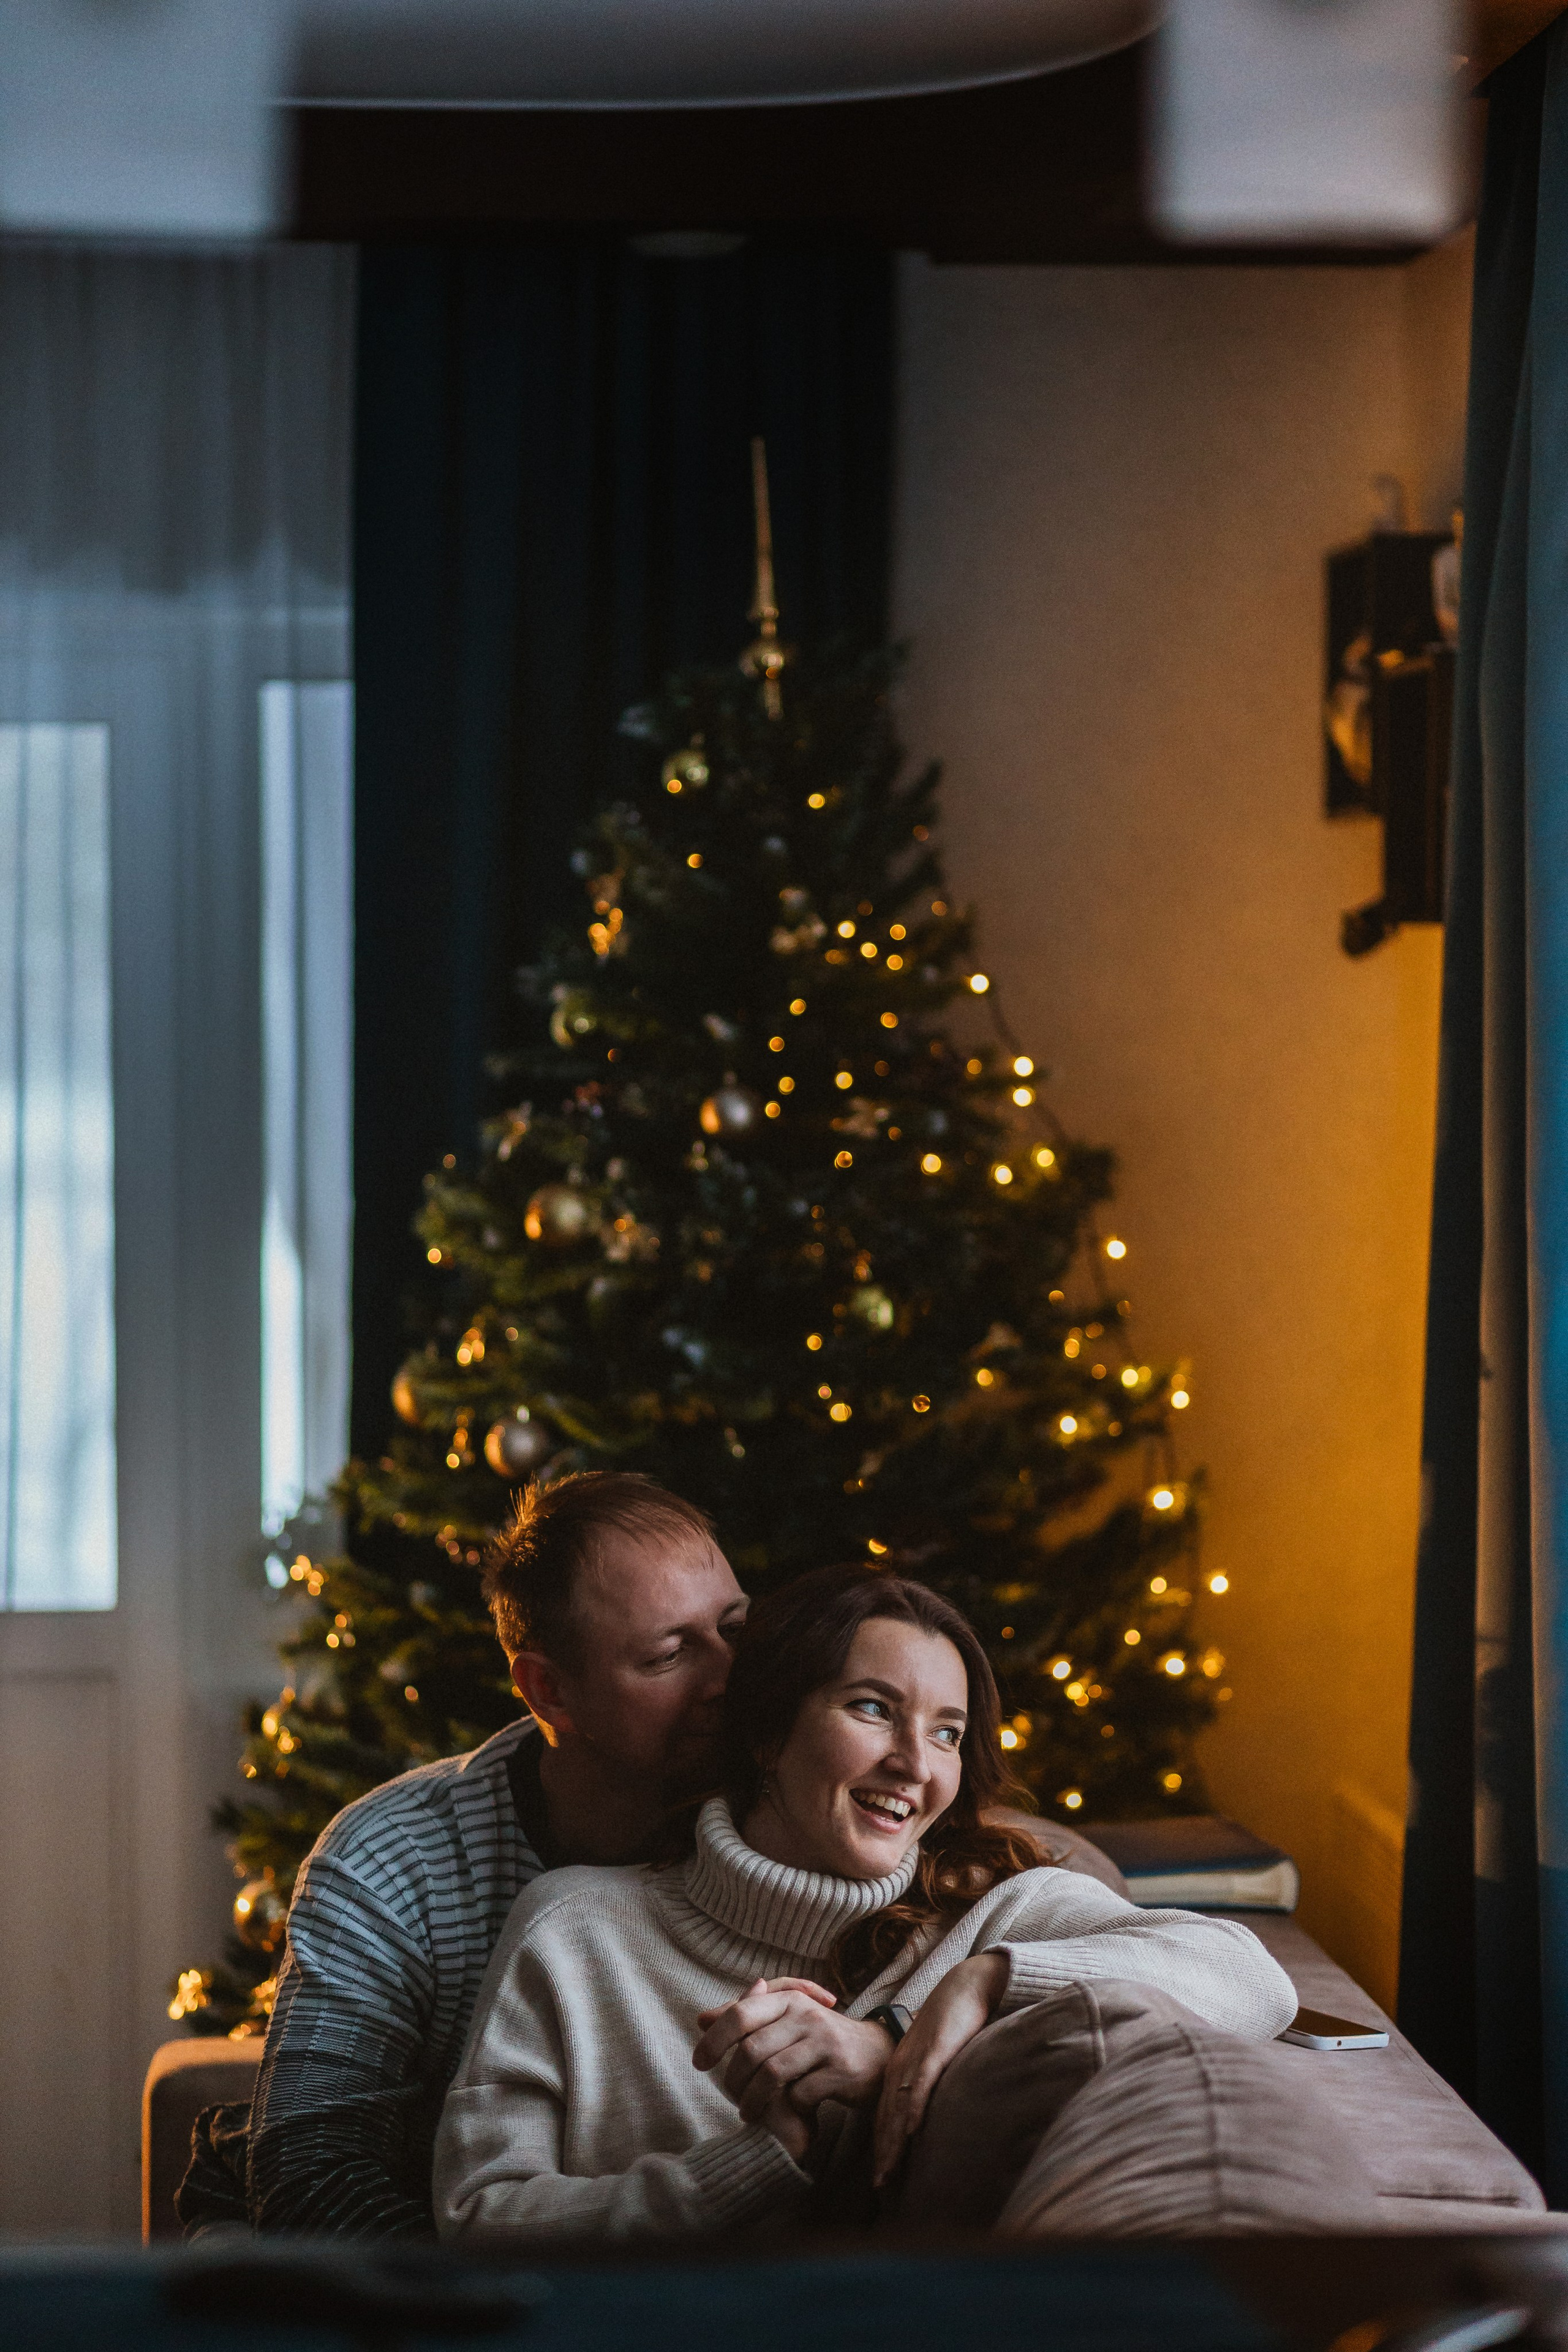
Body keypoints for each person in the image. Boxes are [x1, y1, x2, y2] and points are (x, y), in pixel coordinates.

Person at [432, 1566, 1298, 2248]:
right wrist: (759, 2162)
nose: (917, 1765)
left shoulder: (995, 1914)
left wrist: (951, 2001)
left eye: (949, 1733)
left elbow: (1253, 1980)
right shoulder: (574, 1930)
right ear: (768, 1731)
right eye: (874, 1710)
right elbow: (480, 2220)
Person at [178, 1471, 749, 2238]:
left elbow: (957, 1877)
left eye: (736, 1631)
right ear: (548, 1692)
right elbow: (313, 2179)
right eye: (670, 1654)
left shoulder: (795, 1806)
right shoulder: (388, 1860)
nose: (730, 1678)